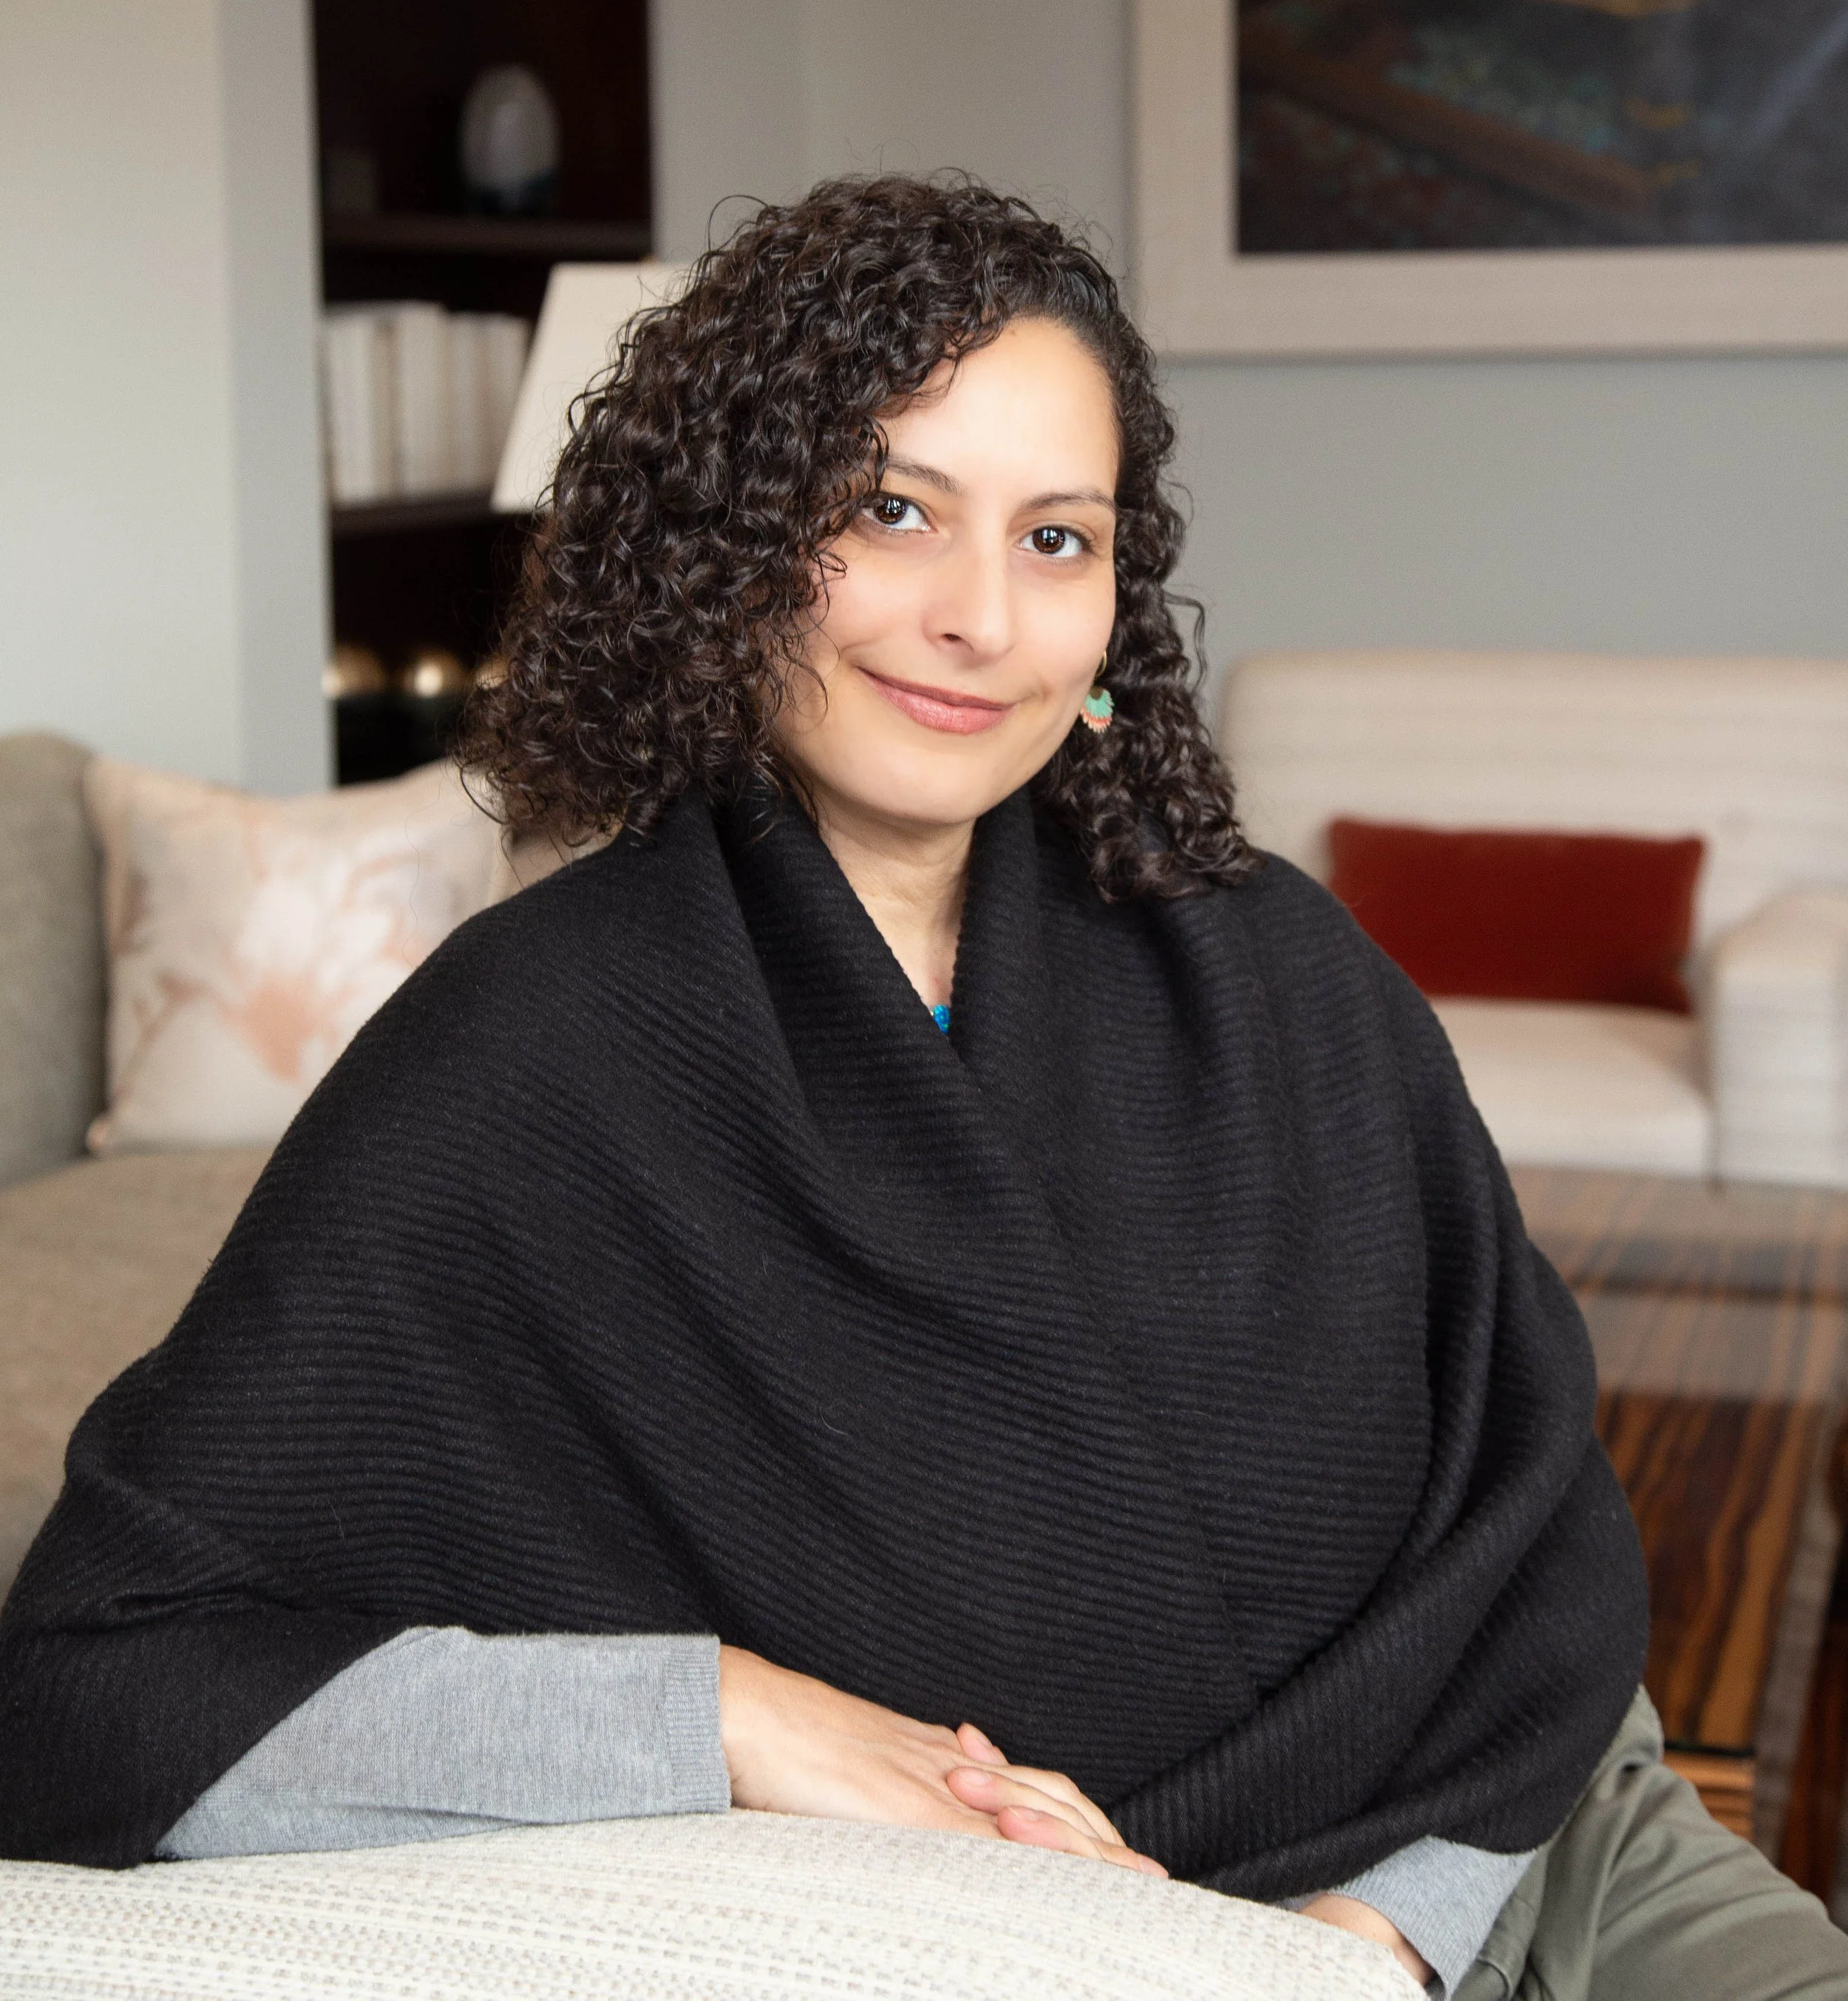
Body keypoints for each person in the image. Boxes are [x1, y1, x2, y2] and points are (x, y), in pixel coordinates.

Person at [1, 175, 1843, 2000]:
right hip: (1029, 1942)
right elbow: (94, 1686)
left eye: (1058, 538)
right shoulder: (533, 1045)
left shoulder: (1281, 967)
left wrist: (1359, 1946)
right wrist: (729, 1715)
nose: (980, 616)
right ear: (730, 546)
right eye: (893, 509)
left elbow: (1530, 1553)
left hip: (1518, 1844)